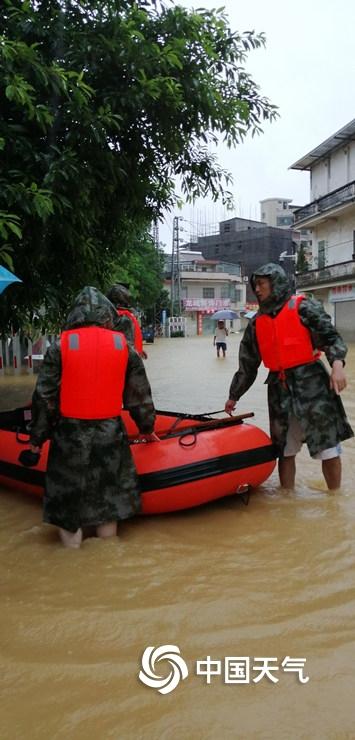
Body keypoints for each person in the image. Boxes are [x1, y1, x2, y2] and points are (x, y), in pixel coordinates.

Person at [21, 287, 157, 548]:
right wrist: (147, 426)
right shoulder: (125, 348)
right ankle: (106, 554)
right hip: (110, 435)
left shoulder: (60, 346)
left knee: (68, 507)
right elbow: (139, 396)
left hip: (69, 436)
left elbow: (44, 397)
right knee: (109, 503)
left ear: (74, 314)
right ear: (108, 315)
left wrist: (37, 439)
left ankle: (71, 559)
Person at [224, 263, 353, 491]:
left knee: (328, 447)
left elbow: (332, 338)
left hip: (313, 387)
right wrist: (234, 395)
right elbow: (247, 364)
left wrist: (337, 364)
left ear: (277, 284)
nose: (258, 289)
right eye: (256, 285)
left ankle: (335, 498)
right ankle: (287, 498)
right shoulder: (256, 324)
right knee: (284, 449)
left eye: (262, 284)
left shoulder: (304, 307)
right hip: (279, 389)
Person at [107, 283, 148, 359]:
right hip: (124, 360)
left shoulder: (109, 315)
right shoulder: (123, 318)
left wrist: (140, 350)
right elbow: (127, 345)